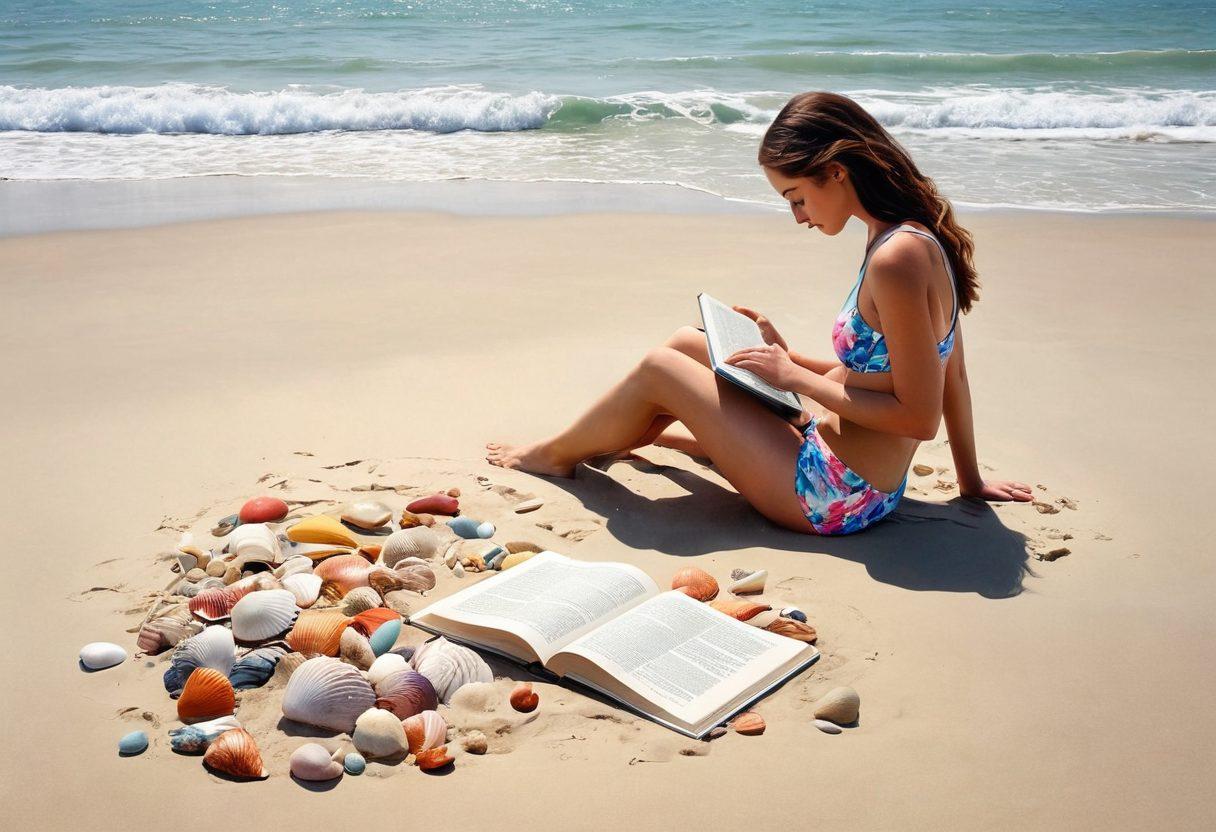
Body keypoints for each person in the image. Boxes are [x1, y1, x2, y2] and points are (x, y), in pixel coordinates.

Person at [486, 91, 1031, 534]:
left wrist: (794, 378)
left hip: (833, 495)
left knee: (660, 368)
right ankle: (630, 436)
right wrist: (787, 358)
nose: (798, 217)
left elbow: (919, 417)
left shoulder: (896, 260)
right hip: (835, 455)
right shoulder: (914, 238)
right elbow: (942, 372)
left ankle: (555, 454)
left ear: (836, 172)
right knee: (688, 341)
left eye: (797, 197)